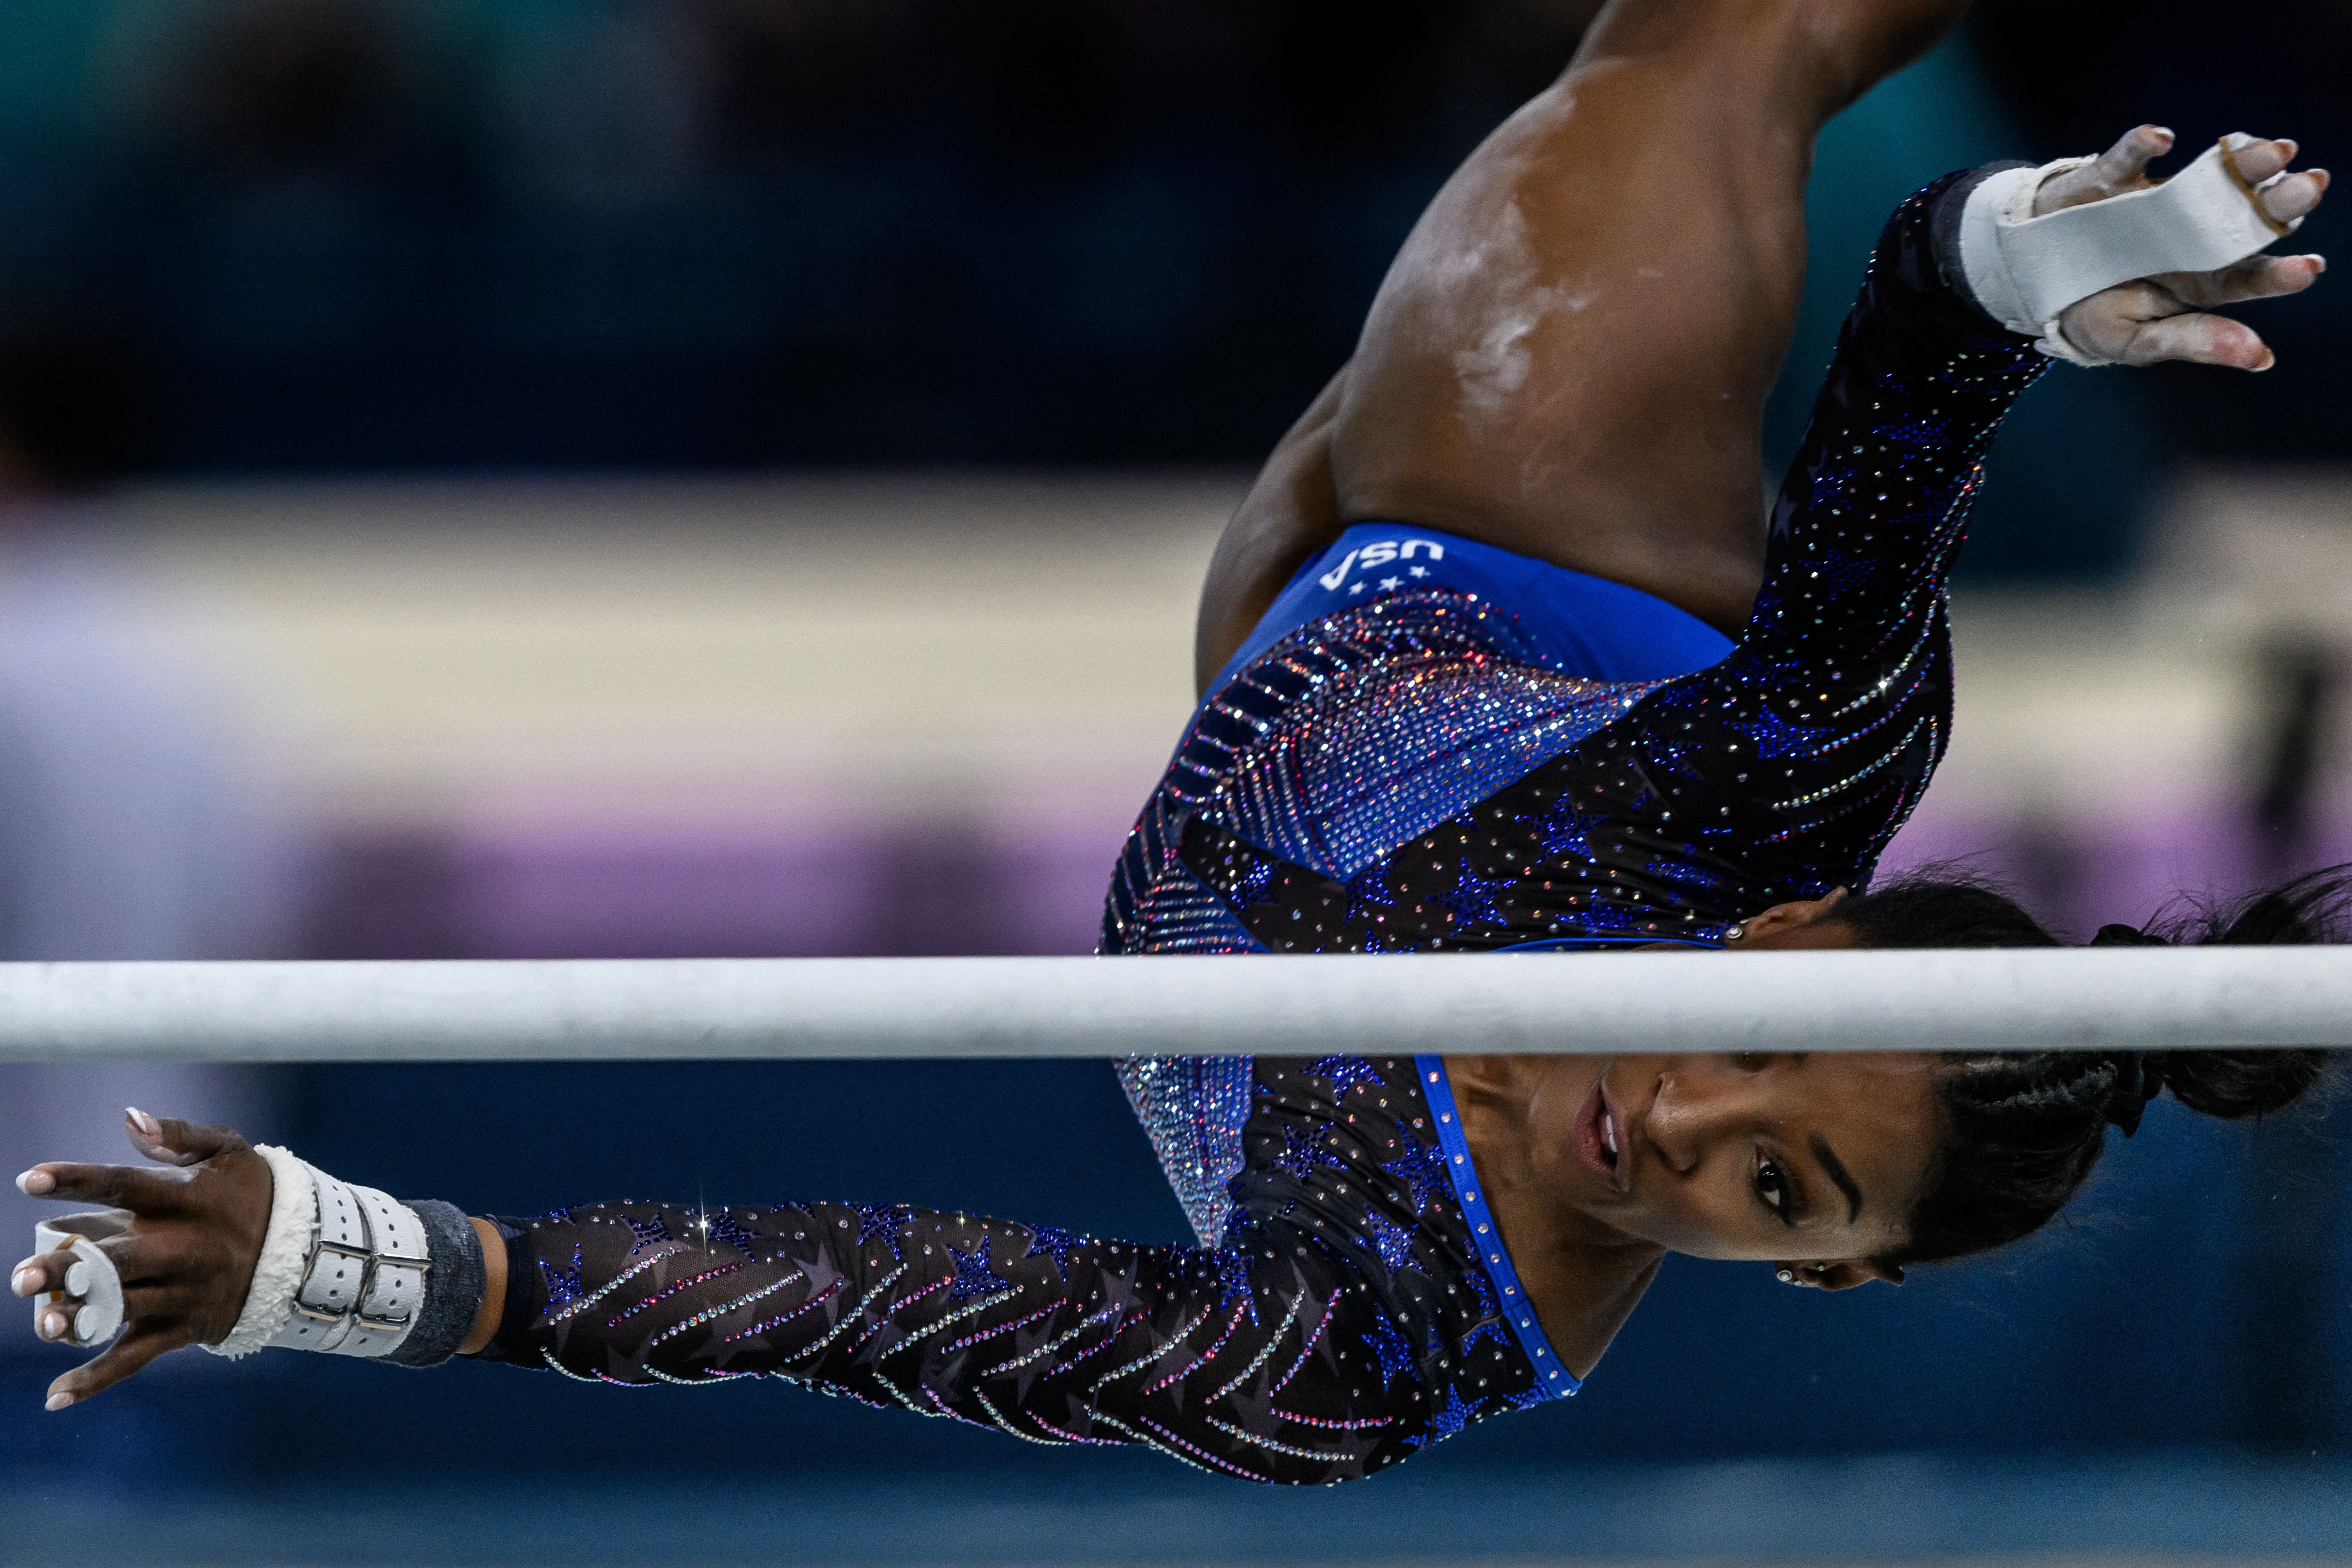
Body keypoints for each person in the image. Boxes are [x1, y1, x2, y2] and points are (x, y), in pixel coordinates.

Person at [10, 0, 2339, 1484]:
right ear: (1794, 922)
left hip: (1257, 667)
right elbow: (1915, 364)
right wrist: (2049, 256)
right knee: (1729, 39)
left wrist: (355, 1259)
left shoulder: (1371, 1347)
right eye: (1761, 1050)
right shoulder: (1784, 783)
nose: (1689, 1120)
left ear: (1821, 1279)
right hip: (1527, 522)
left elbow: (880, 1301)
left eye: (1774, 1194)